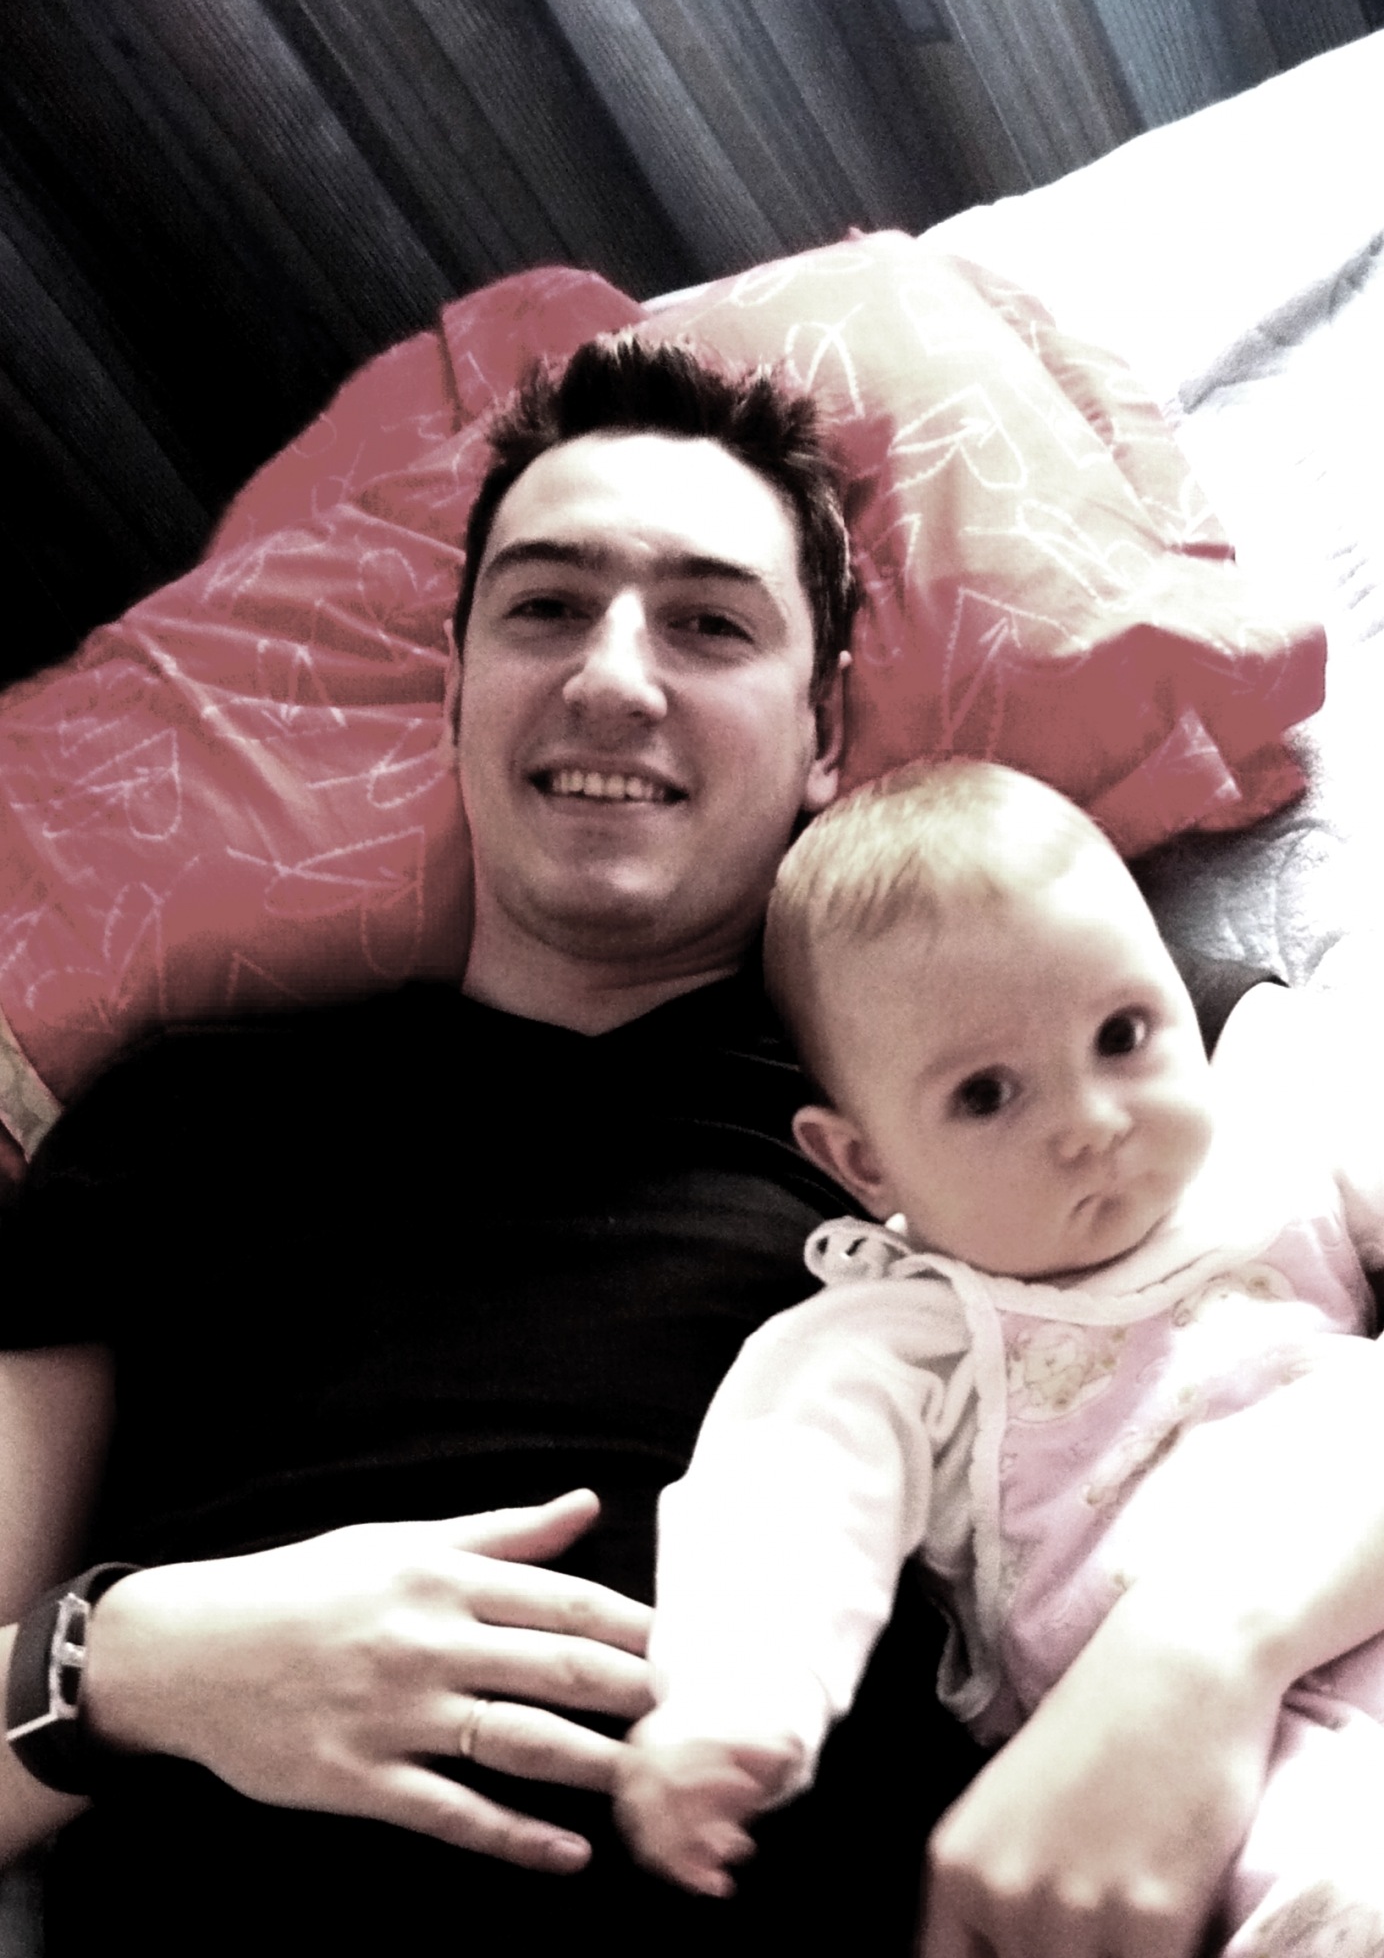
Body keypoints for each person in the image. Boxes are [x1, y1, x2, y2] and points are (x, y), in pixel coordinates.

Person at [0, 334, 1377, 1958]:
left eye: (709, 622)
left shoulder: (1046, 1053)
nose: (611, 677)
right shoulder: (179, 1116)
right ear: (457, 693)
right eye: (544, 607)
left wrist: (1202, 1649)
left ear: (819, 733)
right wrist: (126, 1665)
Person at [616, 758, 1384, 1954]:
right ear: (863, 1162)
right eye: (986, 1094)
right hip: (1221, 1783)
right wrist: (733, 1703)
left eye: (1122, 1033)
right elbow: (780, 1511)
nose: (1090, 1120)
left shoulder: (1276, 1146)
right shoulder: (892, 1339)